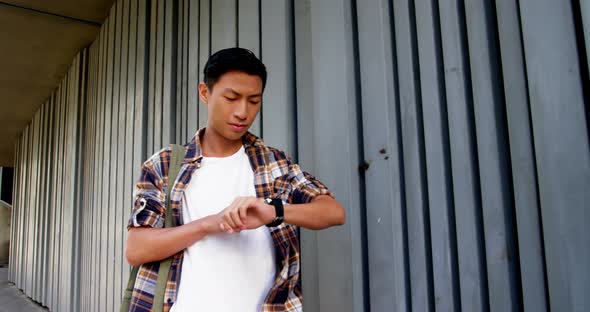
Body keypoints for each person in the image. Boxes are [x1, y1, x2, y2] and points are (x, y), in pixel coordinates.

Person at [125, 47, 346, 312]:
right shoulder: (165, 164)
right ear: (205, 93)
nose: (243, 112)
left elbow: (333, 212)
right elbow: (137, 249)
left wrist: (273, 212)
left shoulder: (273, 164)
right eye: (232, 98)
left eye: (254, 101)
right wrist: (209, 224)